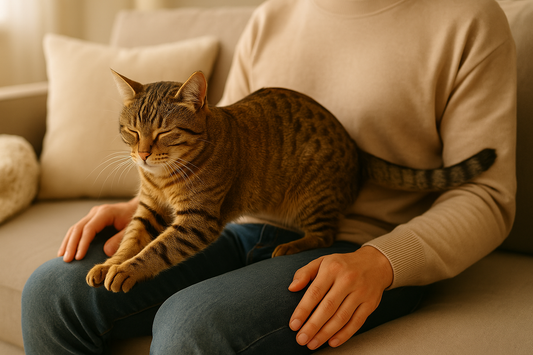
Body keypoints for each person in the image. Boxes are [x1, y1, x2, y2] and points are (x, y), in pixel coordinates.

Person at [21, 0, 516, 353]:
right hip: (235, 221)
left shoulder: (469, 18)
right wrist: (144, 206)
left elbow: (488, 195)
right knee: (51, 291)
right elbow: (216, 145)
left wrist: (383, 261)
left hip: (360, 247)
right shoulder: (273, 15)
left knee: (193, 324)